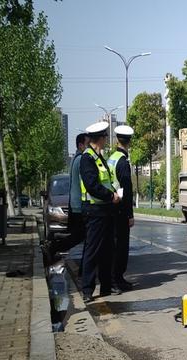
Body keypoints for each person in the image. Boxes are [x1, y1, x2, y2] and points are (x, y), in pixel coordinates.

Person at [79, 121, 121, 302]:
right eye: (105, 137)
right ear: (100, 139)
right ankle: (87, 290)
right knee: (93, 250)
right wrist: (110, 196)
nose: (106, 140)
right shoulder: (87, 158)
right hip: (94, 211)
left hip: (105, 211)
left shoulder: (99, 157)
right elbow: (92, 186)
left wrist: (115, 193)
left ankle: (106, 285)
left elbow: (107, 181)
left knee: (107, 250)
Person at [41, 133, 89, 264]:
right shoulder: (81, 160)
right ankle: (53, 246)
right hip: (79, 205)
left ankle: (54, 244)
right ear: (81, 145)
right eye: (87, 144)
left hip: (74, 203)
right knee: (81, 236)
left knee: (79, 235)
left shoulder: (75, 158)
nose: (89, 147)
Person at [107, 125, 135, 291]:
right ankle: (116, 279)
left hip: (111, 207)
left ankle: (117, 278)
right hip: (120, 210)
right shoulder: (123, 162)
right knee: (121, 247)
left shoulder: (112, 158)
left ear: (118, 140)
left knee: (114, 246)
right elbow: (127, 190)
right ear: (129, 141)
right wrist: (129, 214)